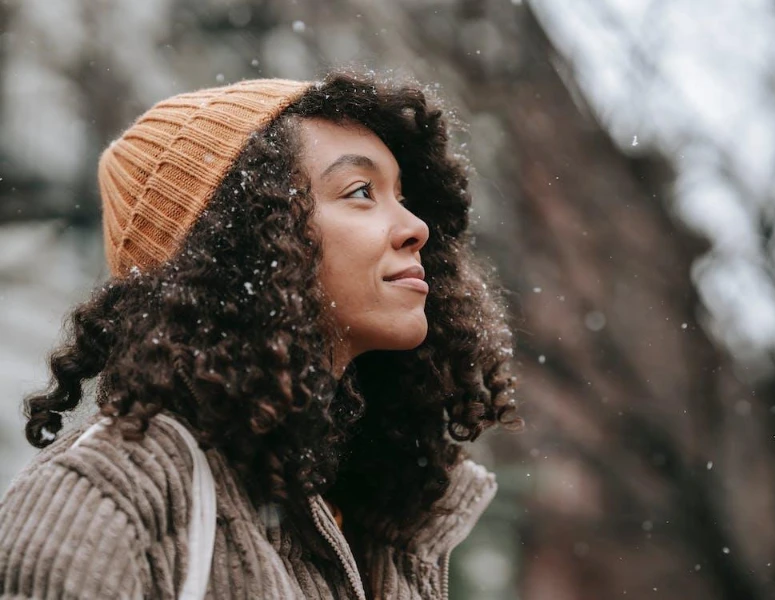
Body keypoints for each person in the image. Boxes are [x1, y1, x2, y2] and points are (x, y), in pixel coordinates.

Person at [0, 72, 520, 599]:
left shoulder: (368, 517)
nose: (416, 227)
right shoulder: (111, 494)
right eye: (361, 191)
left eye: (401, 196)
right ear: (244, 243)